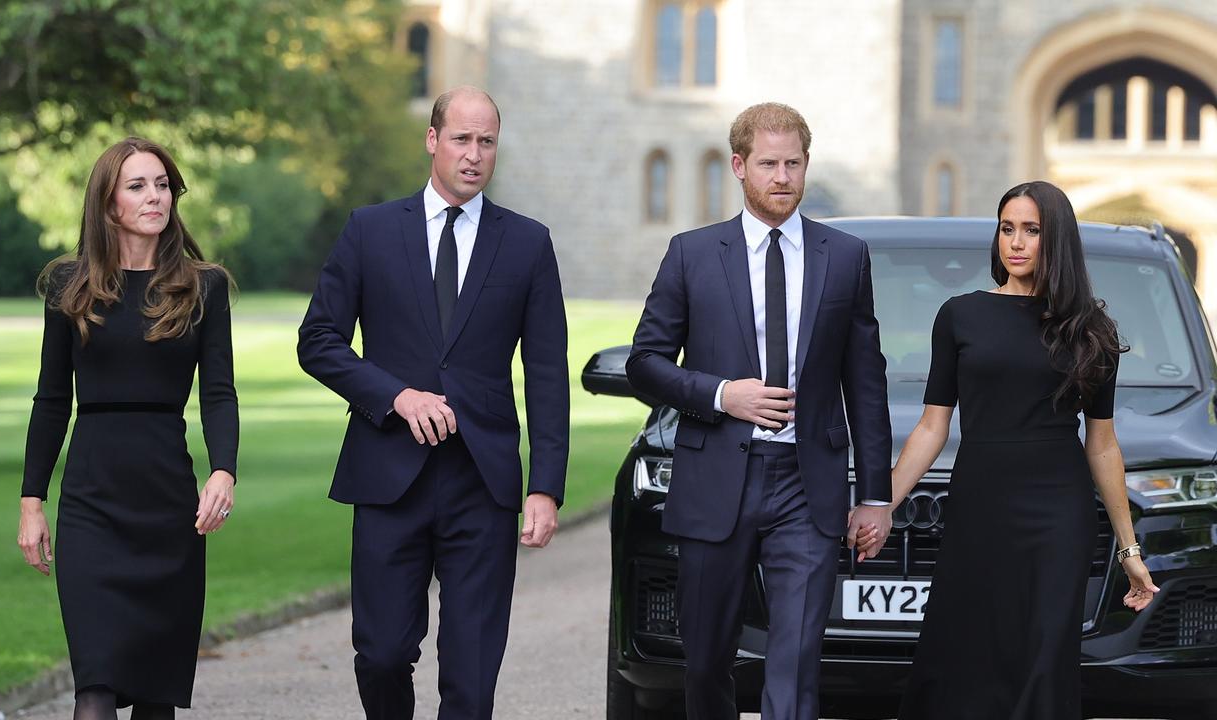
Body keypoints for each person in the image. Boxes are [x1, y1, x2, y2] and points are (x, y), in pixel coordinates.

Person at [297, 86, 569, 719]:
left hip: (484, 482)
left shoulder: (528, 243)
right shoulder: (370, 230)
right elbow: (318, 341)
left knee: (472, 680)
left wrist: (545, 487)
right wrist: (395, 396)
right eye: (461, 139)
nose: (473, 155)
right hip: (389, 476)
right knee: (384, 655)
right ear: (432, 140)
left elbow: (547, 374)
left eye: (486, 142)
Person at [626, 102, 893, 720]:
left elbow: (866, 381)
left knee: (796, 659)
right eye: (768, 163)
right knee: (706, 656)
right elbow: (646, 362)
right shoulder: (692, 253)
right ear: (739, 166)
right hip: (717, 476)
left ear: (806, 166)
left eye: (793, 163)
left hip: (808, 484)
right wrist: (723, 395)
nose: (782, 177)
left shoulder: (846, 257)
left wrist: (875, 494)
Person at [883, 180, 1158, 719]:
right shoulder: (960, 315)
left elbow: (1101, 445)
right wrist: (881, 504)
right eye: (1007, 228)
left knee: (1044, 657)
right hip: (979, 507)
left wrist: (1129, 551)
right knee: (964, 652)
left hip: (1058, 515)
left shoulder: (1091, 331)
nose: (1016, 242)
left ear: (1056, 240)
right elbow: (931, 427)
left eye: (1032, 231)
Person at [17, 137, 238, 719]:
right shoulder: (69, 285)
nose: (155, 197)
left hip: (167, 504)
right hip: (92, 502)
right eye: (138, 186)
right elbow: (50, 399)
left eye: (162, 184)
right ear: (107, 202)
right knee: (95, 691)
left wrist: (223, 469)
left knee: (155, 698)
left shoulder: (204, 287)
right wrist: (32, 500)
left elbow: (218, 392)